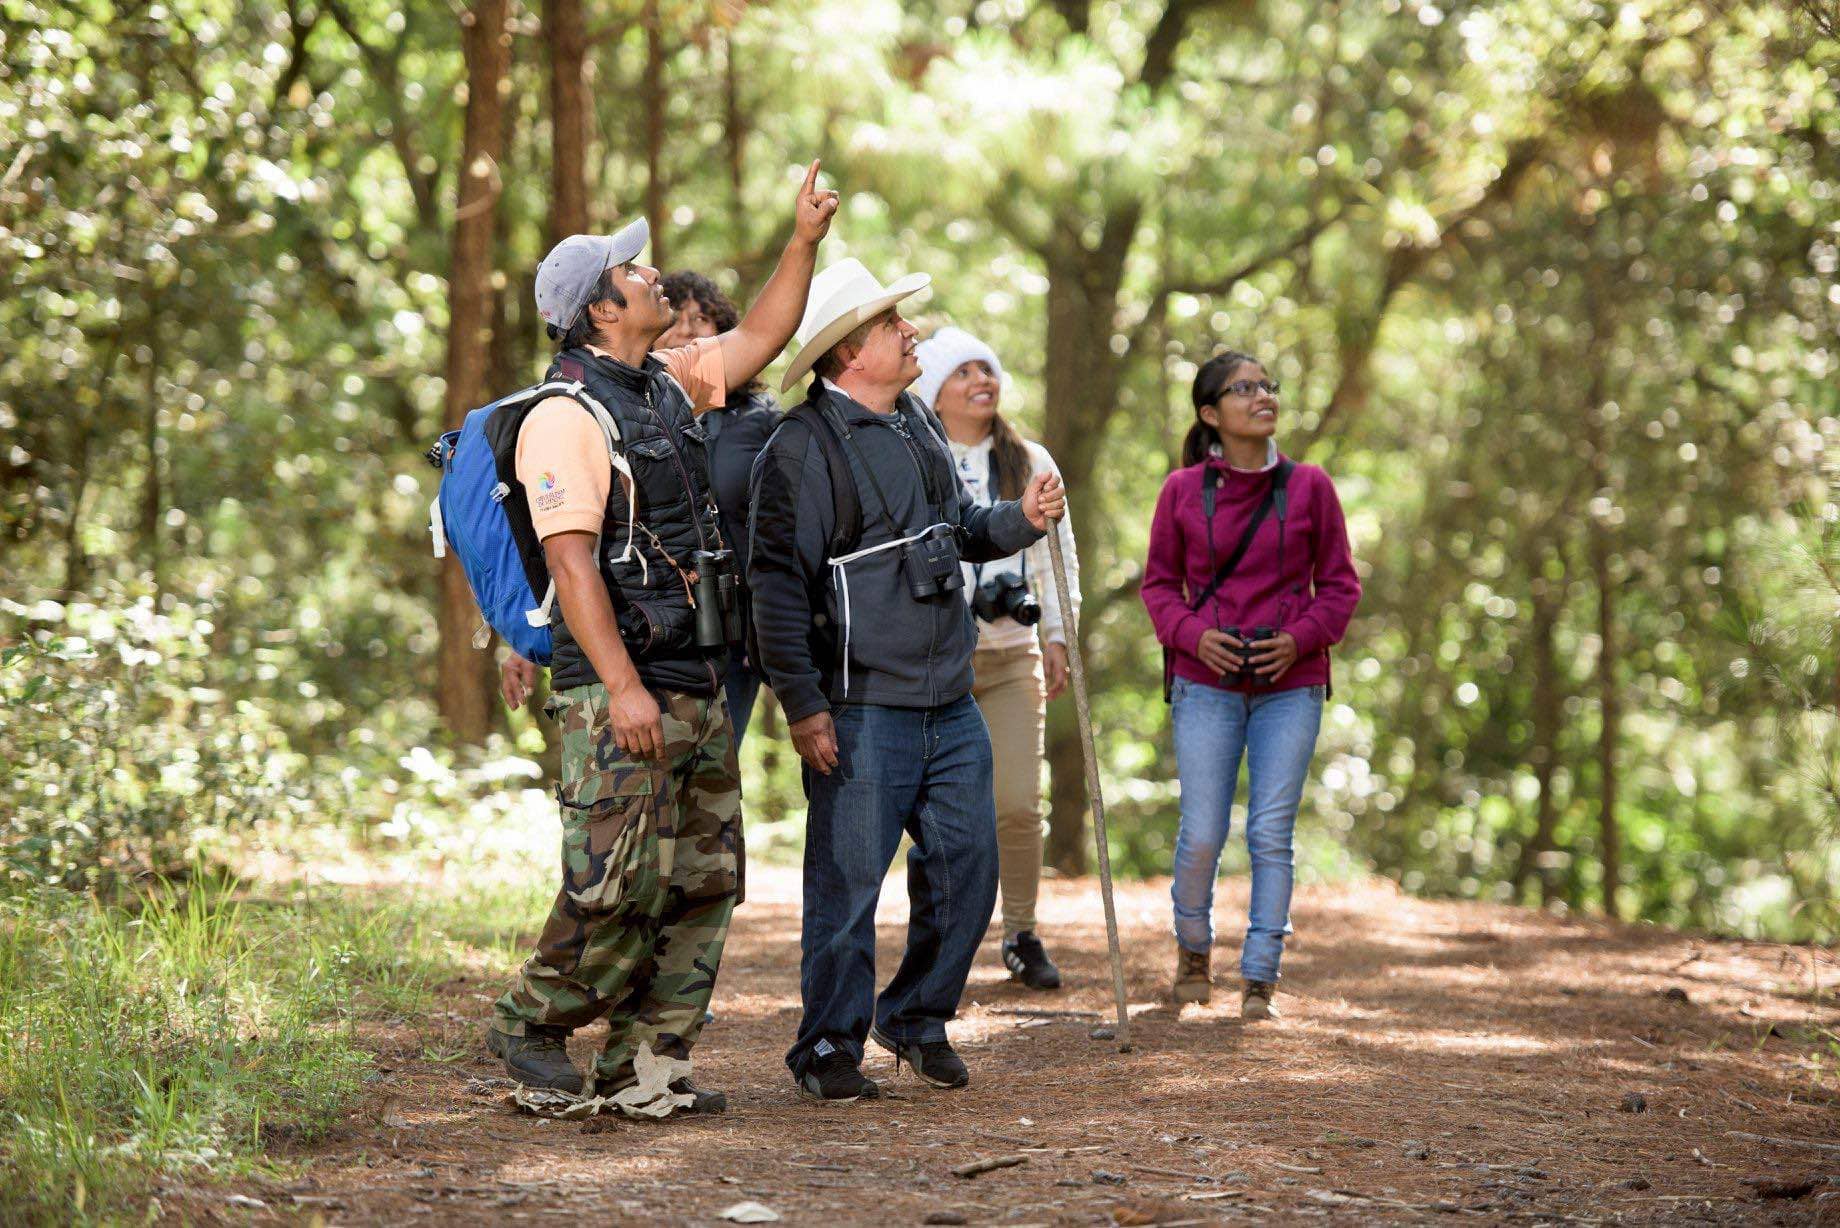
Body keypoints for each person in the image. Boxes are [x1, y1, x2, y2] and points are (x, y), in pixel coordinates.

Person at [483, 161, 839, 1109]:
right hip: (618, 689)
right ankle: (530, 1019)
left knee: (703, 882)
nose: (653, 279)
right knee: (616, 884)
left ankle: (647, 1070)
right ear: (599, 311)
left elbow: (763, 334)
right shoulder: (565, 417)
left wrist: (801, 242)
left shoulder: (670, 386)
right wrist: (625, 687)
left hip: (695, 677)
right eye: (632, 275)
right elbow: (571, 566)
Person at [747, 259, 1066, 1101]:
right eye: (894, 325)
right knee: (847, 891)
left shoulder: (918, 423)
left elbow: (961, 531)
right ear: (851, 351)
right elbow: (775, 583)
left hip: (949, 699)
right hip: (859, 709)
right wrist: (803, 705)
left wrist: (1020, 521)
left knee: (970, 867)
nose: (911, 331)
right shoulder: (802, 446)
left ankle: (917, 1017)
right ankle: (827, 1049)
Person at [1140, 350, 1360, 1022]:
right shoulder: (1183, 491)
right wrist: (1191, 635)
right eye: (1243, 389)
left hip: (1289, 684)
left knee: (1270, 831)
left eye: (1267, 385)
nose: (1262, 396)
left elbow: (1342, 587)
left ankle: (1260, 975)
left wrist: (1298, 638)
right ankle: (1194, 949)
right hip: (1205, 682)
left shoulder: (1310, 487)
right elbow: (1157, 586)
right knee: (1203, 831)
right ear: (1211, 414)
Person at [913, 326, 1080, 992]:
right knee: (939, 812)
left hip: (1013, 654)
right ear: (935, 390)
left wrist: (1059, 635)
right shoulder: (917, 452)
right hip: (935, 659)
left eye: (988, 369)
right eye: (963, 372)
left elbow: (1055, 556)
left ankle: (1021, 931)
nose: (982, 380)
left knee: (1015, 803)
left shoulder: (1028, 457)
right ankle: (943, 933)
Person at [655, 271, 779, 744]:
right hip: (654, 627)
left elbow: (783, 530)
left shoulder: (763, 422)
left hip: (732, 632)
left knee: (714, 778)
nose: (686, 330)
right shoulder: (629, 412)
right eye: (675, 318)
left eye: (701, 318)